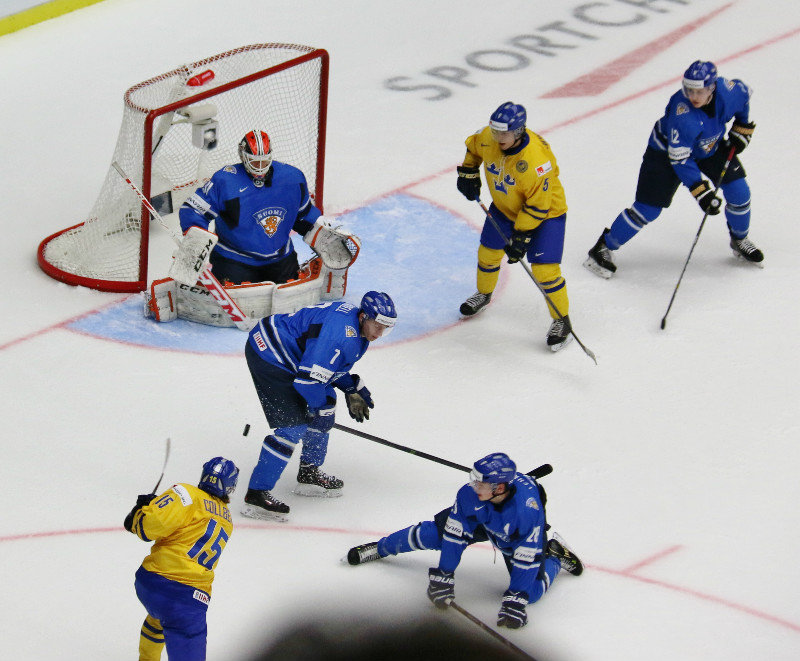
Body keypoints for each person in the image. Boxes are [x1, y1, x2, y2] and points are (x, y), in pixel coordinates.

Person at [346, 452, 582, 629]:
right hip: (484, 516)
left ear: (499, 487)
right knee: (430, 534)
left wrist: (517, 597)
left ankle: (556, 557)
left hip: (512, 531)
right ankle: (380, 548)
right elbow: (453, 536)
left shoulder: (526, 513)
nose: (473, 485)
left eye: (479, 482)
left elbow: (526, 558)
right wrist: (444, 574)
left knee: (532, 593)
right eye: (474, 478)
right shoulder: (469, 495)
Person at [584, 60, 763, 279]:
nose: (693, 96)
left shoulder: (730, 91)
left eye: (699, 91)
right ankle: (604, 246)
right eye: (689, 90)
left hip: (709, 145)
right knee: (648, 209)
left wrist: (742, 128)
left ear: (713, 87)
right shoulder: (682, 114)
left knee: (739, 191)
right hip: (665, 155)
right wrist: (701, 192)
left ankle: (739, 239)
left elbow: (744, 98)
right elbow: (680, 159)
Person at [241, 291, 397, 520]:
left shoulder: (357, 329)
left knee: (327, 403)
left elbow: (329, 364)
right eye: (378, 325)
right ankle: (256, 494)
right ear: (364, 316)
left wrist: (351, 387)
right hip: (268, 351)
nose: (379, 333)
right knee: (292, 427)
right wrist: (318, 408)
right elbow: (307, 382)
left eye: (385, 328)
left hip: (291, 354)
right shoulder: (341, 335)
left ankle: (309, 471)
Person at [456, 102, 573, 351]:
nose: (497, 138)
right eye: (495, 131)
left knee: (545, 270)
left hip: (545, 215)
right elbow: (473, 148)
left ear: (519, 131)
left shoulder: (535, 162)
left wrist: (522, 236)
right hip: (505, 207)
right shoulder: (488, 137)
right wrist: (468, 172)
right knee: (488, 253)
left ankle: (562, 320)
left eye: (504, 133)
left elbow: (539, 205)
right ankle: (484, 294)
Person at [178, 129, 354, 285]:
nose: (260, 168)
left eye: (264, 161)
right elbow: (192, 210)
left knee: (288, 305)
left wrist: (320, 230)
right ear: (243, 156)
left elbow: (303, 216)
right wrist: (195, 239)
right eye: (255, 162)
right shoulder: (225, 181)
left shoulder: (292, 178)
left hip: (281, 260)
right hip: (234, 260)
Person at [124, 456, 239, 661]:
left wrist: (140, 512)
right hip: (186, 598)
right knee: (177, 624)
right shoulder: (227, 519)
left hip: (150, 582)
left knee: (160, 617)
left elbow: (147, 527)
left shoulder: (185, 493)